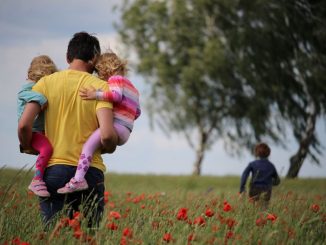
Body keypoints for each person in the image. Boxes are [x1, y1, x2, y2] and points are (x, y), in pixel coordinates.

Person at [18, 31, 118, 228]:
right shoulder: (100, 87)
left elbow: (23, 124)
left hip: (54, 171)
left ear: (67, 57)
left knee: (54, 236)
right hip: (90, 173)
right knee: (88, 237)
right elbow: (106, 135)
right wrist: (111, 145)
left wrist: (28, 145)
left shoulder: (45, 83)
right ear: (94, 59)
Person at [57, 51, 141, 194]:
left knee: (88, 146)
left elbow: (116, 96)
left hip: (117, 127)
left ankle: (78, 180)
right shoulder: (133, 88)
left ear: (105, 69)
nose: (98, 76)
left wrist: (95, 94)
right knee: (95, 145)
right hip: (126, 130)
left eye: (98, 72)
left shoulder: (115, 79)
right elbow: (137, 112)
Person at [17, 55, 57, 197]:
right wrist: (41, 99)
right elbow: (22, 94)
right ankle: (37, 179)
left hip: (39, 130)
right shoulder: (30, 86)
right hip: (33, 131)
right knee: (47, 148)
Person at [239, 142, 280, 209]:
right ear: (268, 153)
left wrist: (242, 189)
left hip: (254, 189)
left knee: (254, 208)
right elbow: (277, 181)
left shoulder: (252, 164)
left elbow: (244, 175)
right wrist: (270, 183)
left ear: (256, 152)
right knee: (264, 208)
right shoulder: (271, 166)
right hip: (267, 190)